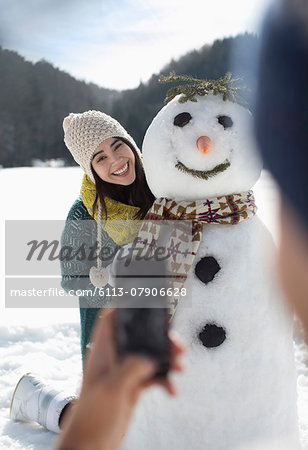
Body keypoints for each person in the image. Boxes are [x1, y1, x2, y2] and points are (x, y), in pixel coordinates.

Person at [10, 110, 157, 433]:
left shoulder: (160, 188)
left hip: (168, 327)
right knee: (115, 430)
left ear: (131, 143)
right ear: (89, 168)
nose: (116, 160)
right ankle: (37, 398)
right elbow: (73, 279)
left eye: (119, 146)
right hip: (111, 335)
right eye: (100, 157)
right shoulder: (83, 215)